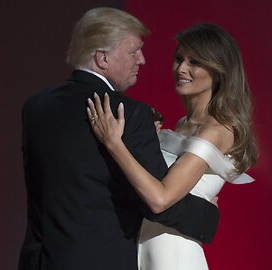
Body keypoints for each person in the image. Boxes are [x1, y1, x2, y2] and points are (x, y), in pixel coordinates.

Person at [18, 8, 220, 270]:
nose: (142, 60)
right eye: (133, 51)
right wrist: (207, 214)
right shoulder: (128, 114)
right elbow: (156, 203)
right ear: (103, 58)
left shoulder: (35, 107)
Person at [86, 23, 258, 269]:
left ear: (218, 70)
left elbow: (159, 198)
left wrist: (114, 143)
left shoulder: (218, 130)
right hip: (147, 248)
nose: (181, 68)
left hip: (175, 255)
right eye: (179, 59)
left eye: (194, 62)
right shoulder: (182, 125)